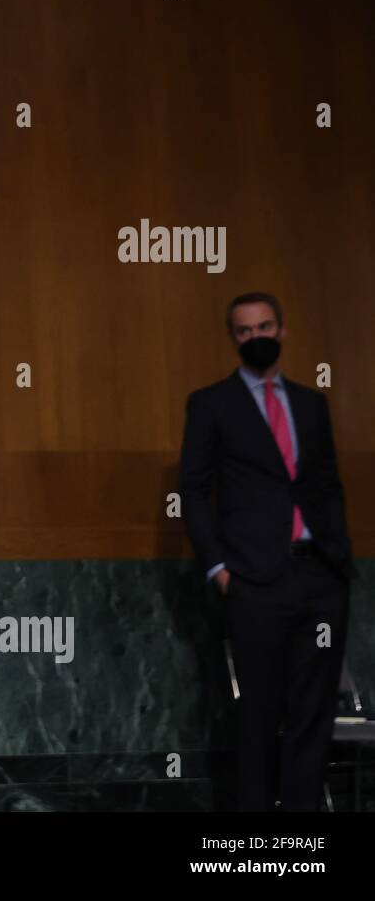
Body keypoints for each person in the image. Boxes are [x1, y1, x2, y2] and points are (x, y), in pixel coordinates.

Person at [180, 292, 356, 811]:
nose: (255, 337)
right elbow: (193, 490)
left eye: (264, 327)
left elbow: (327, 484)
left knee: (313, 713)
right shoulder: (211, 404)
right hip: (253, 582)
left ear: (281, 330)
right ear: (233, 339)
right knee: (257, 716)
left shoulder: (311, 403)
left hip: (320, 577)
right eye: (244, 331)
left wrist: (338, 558)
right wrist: (219, 569)